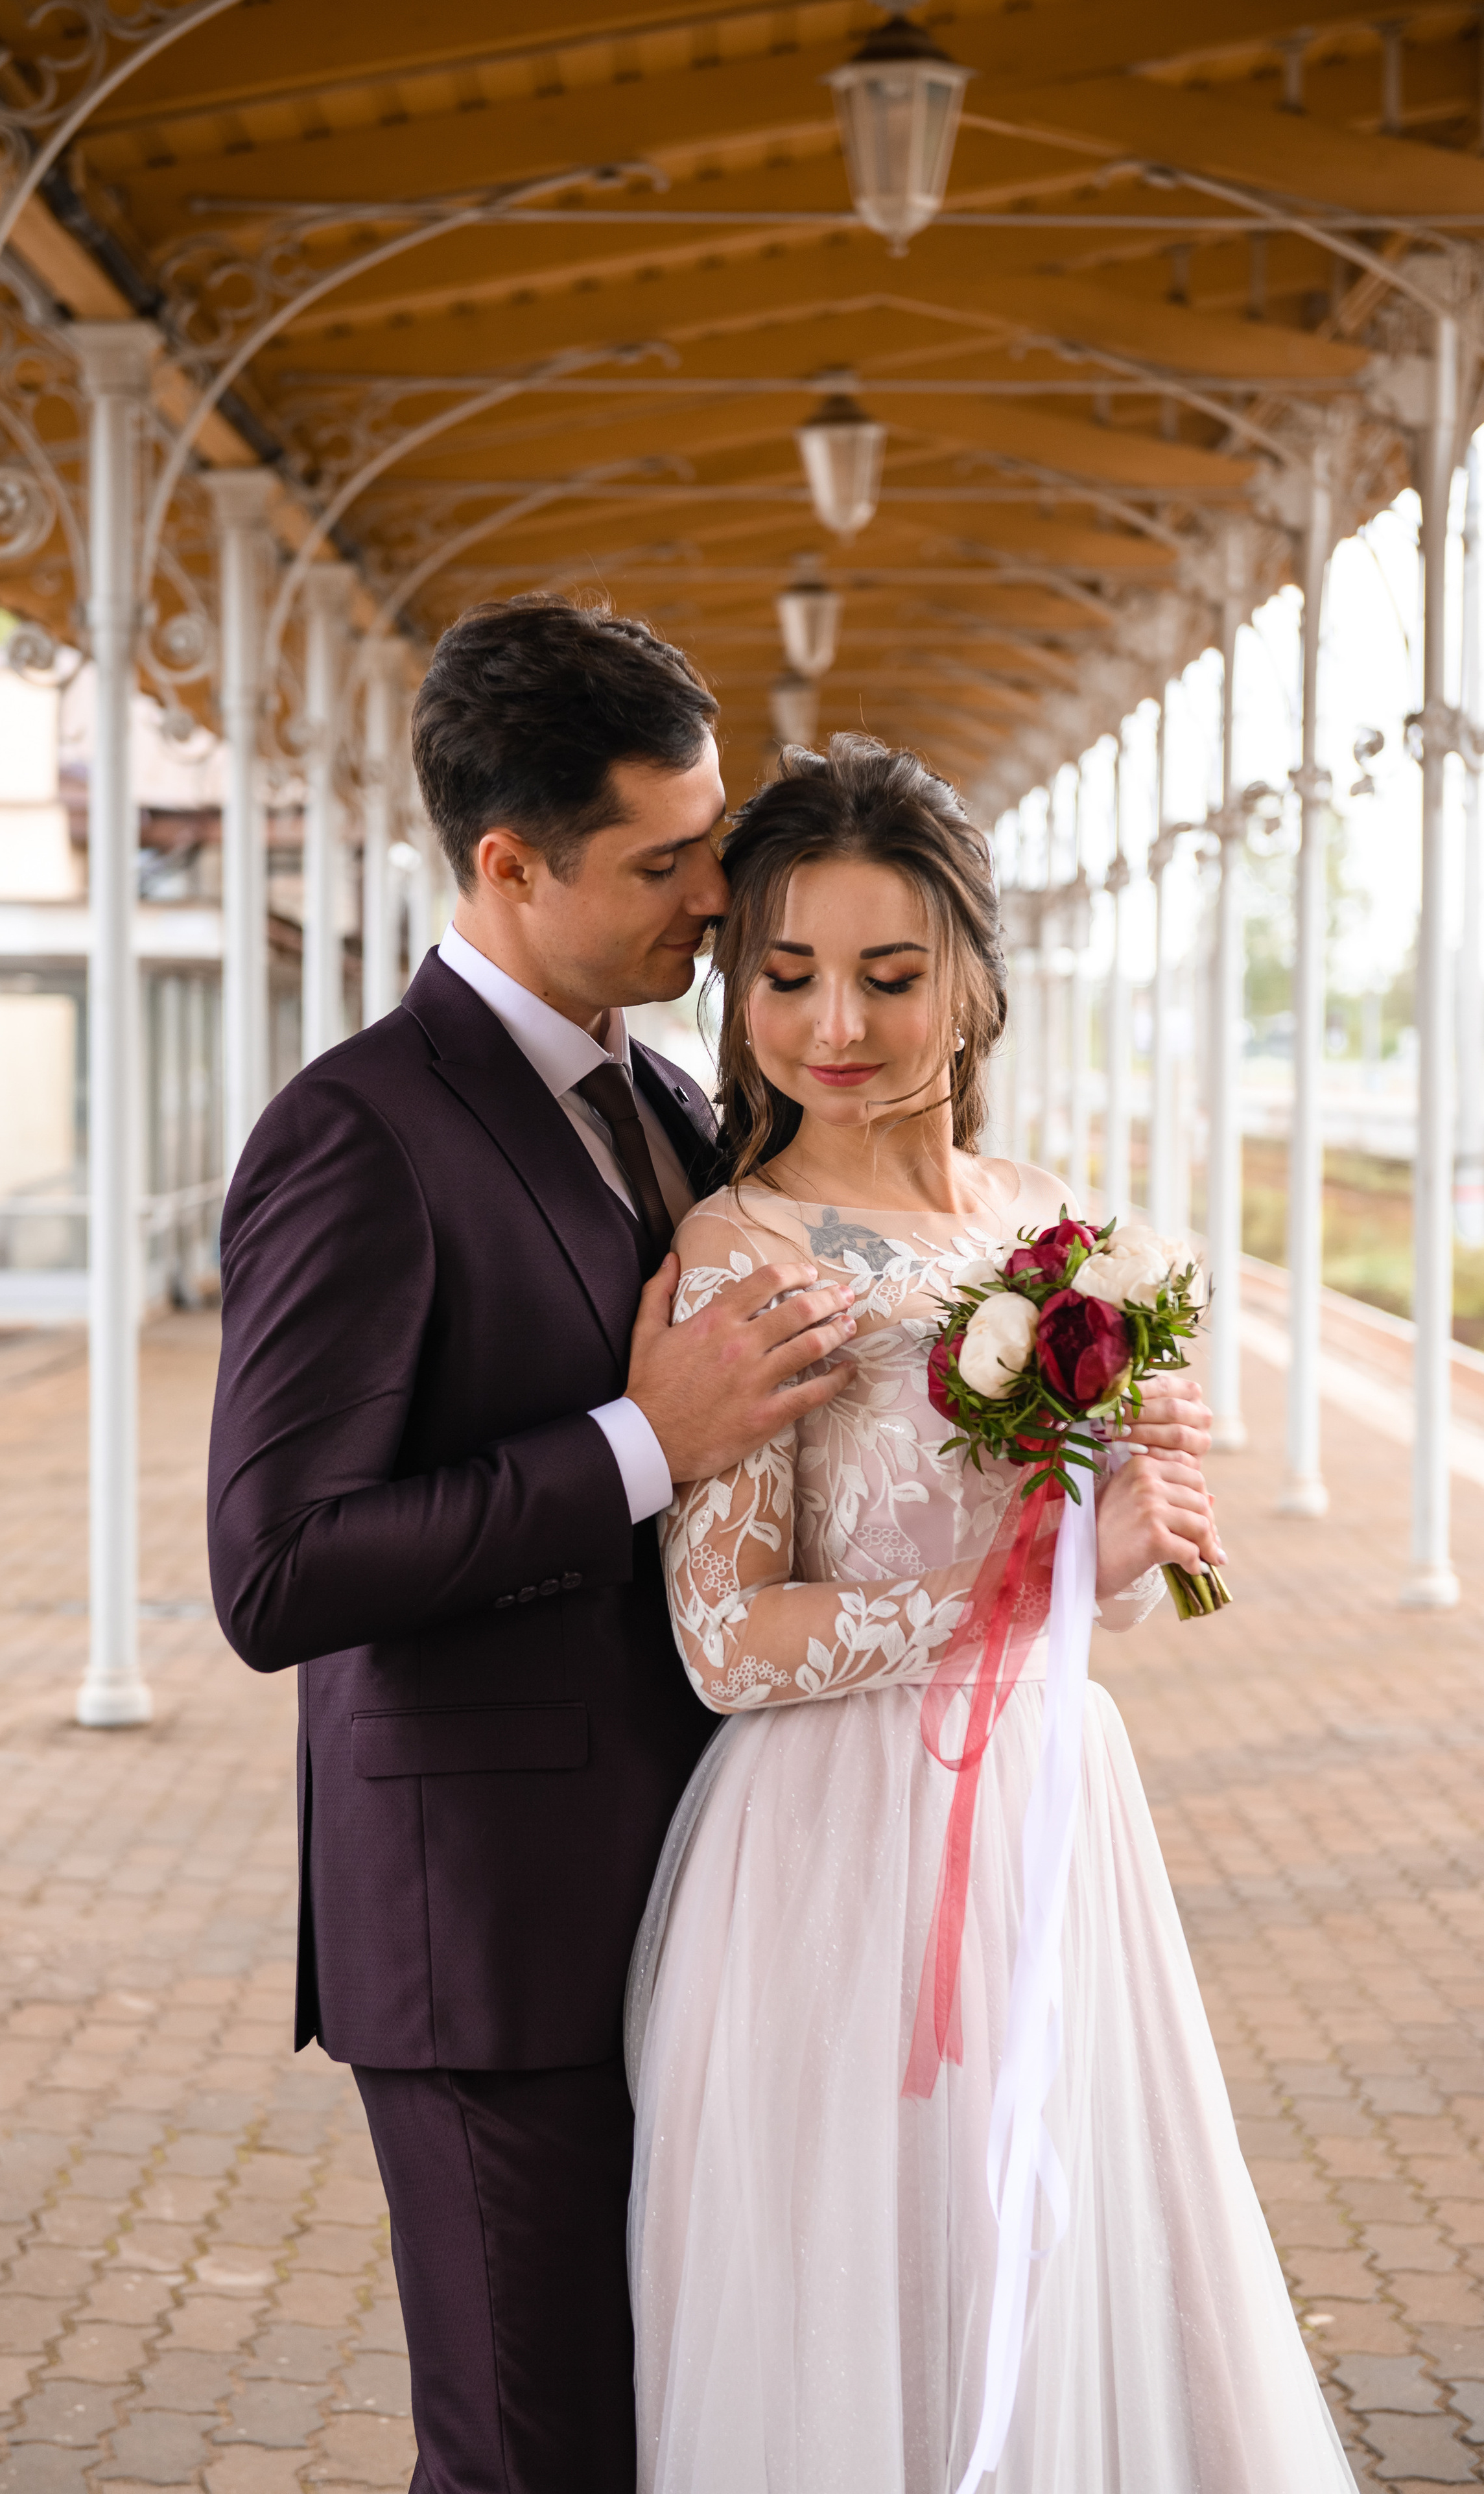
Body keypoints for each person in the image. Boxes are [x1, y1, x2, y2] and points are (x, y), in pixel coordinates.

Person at [627, 736, 1356, 2493]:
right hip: (828, 1856)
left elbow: (1098, 1551)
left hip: (1050, 1811)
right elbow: (728, 1646)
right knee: (869, 2294)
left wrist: (1140, 1495)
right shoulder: (743, 1253)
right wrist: (1038, 1575)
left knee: (1085, 2253)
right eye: (789, 977)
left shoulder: (1056, 1226)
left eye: (889, 975)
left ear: (975, 972)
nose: (837, 1027)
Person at [207, 597, 862, 2494]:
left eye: (716, 842)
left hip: (695, 1893)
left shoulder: (667, 1102)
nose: (716, 901)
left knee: (661, 2432)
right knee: (529, 2454)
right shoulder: (358, 1133)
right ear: (507, 862)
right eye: (666, 862)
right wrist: (640, 1444)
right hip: (486, 1925)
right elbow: (278, 1568)